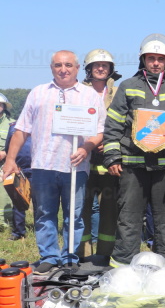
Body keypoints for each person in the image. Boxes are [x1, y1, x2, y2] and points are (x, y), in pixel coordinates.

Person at [4, 51, 105, 274]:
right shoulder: (38, 93)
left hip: (75, 166)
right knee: (44, 213)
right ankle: (49, 255)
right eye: (58, 65)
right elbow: (22, 130)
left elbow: (100, 131)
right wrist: (10, 159)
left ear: (77, 68)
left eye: (68, 65)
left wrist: (86, 147)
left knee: (74, 215)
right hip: (43, 166)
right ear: (51, 68)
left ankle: (70, 256)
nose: (63, 69)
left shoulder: (89, 95)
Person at [103, 34, 165, 271]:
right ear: (143, 60)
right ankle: (123, 272)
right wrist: (113, 156)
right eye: (151, 58)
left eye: (160, 59)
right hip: (132, 167)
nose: (155, 63)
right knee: (129, 220)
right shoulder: (128, 86)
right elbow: (113, 123)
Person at [78, 49, 121, 265]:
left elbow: (126, 121)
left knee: (109, 210)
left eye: (105, 65)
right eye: (97, 65)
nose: (101, 68)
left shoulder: (118, 92)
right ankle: (83, 253)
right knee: (82, 209)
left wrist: (111, 143)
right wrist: (90, 142)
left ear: (111, 69)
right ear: (89, 69)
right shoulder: (77, 92)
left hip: (109, 162)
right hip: (84, 160)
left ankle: (105, 253)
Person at [4, 122, 31, 241]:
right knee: (18, 200)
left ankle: (41, 230)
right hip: (19, 168)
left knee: (40, 202)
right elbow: (8, 147)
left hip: (38, 168)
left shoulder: (42, 124)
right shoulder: (13, 127)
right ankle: (18, 232)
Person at [0, 93, 16, 230]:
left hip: (5, 164)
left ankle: (5, 224)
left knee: (4, 195)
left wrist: (5, 153)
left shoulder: (12, 124)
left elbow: (17, 144)